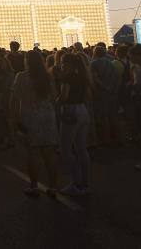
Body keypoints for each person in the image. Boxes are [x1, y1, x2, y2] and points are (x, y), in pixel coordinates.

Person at [10, 50, 59, 197]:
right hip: (47, 116)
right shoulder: (47, 76)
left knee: (32, 154)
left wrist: (14, 118)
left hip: (29, 117)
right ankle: (53, 187)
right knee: (49, 154)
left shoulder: (21, 77)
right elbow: (54, 96)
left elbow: (14, 99)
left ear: (27, 61)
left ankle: (34, 185)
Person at [58, 53, 91, 196]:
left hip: (70, 111)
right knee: (82, 149)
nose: (61, 66)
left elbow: (64, 96)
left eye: (62, 63)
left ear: (68, 65)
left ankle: (76, 182)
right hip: (82, 110)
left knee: (65, 149)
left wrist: (57, 99)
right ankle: (85, 182)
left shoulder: (68, 77)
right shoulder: (83, 76)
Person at [90, 45, 122, 146]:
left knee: (104, 117)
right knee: (113, 116)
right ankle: (118, 138)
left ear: (95, 53)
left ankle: (106, 139)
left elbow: (95, 78)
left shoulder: (93, 63)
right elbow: (117, 77)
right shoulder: (112, 61)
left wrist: (104, 87)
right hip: (112, 92)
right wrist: (113, 88)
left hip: (101, 93)